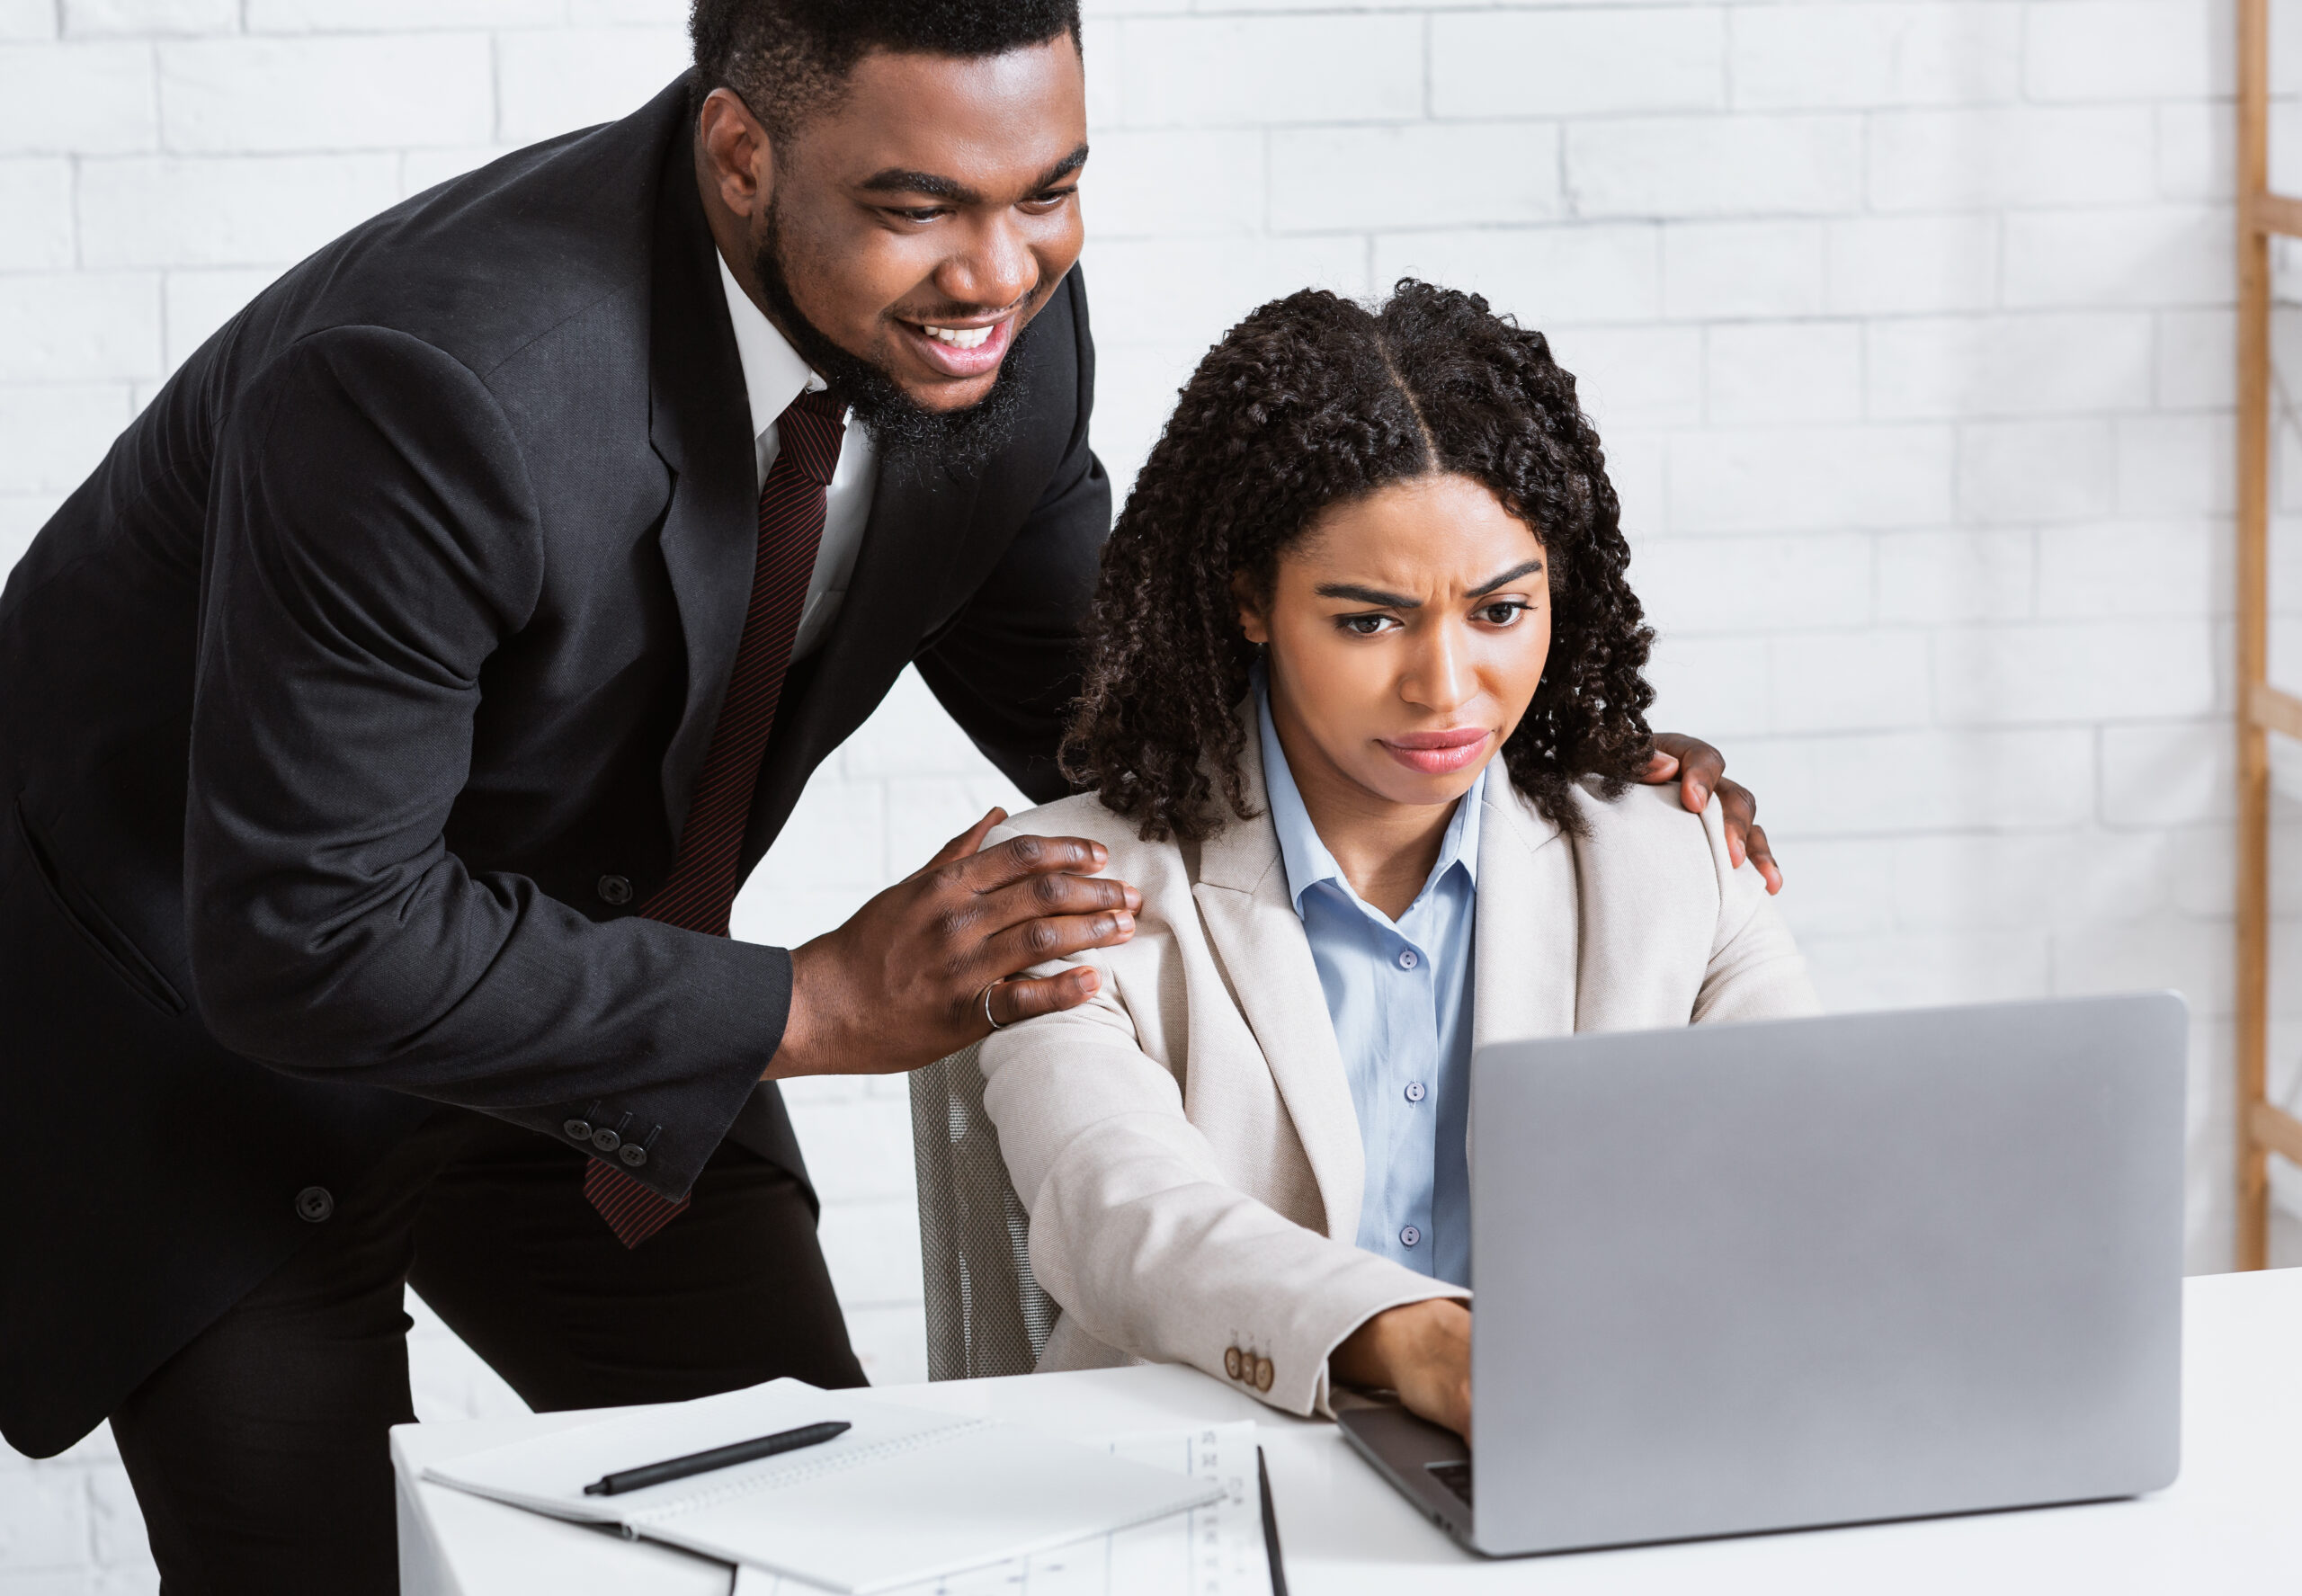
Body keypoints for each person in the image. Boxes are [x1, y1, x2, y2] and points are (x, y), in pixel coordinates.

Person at [0, 4, 1771, 1588]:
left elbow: (1123, 730)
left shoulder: (986, 352)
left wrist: (1539, 770)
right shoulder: (431, 386)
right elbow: (309, 932)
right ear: (742, 152)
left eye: (1046, 191)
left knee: (821, 1524)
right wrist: (819, 1003)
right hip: (200, 1041)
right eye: (921, 203)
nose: (998, 268)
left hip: (587, 998)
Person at [977, 281, 1820, 1442]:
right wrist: (1426, 1346)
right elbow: (1122, 1217)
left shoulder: (1676, 859)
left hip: (1590, 1454)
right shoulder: (1067, 888)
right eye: (1369, 620)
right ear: (1251, 600)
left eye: (1499, 612)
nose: (1444, 686)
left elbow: (1807, 1175)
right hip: (1201, 1487)